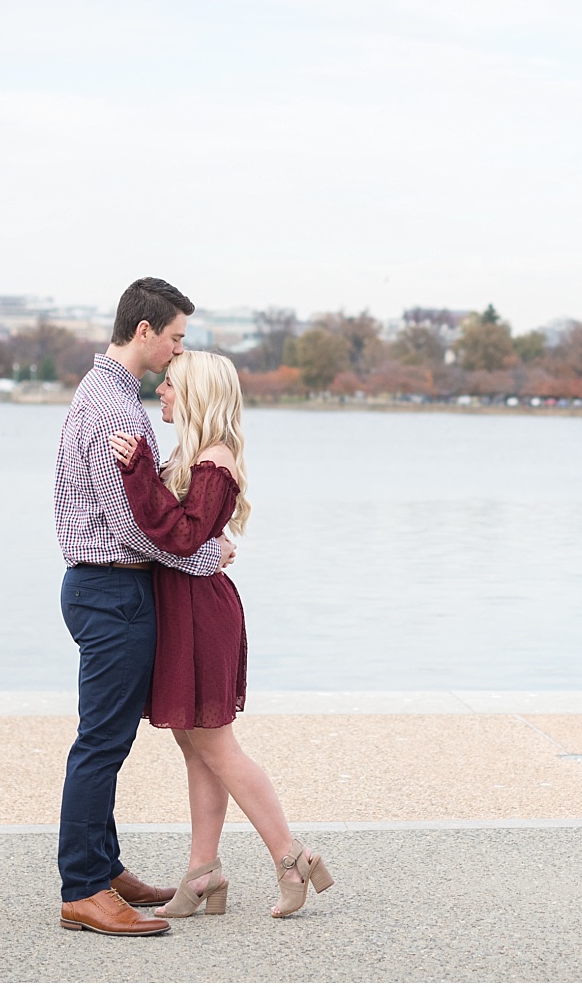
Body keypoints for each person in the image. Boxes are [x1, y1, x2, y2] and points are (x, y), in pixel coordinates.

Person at [109, 350, 335, 919]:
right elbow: (188, 537)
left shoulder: (214, 460)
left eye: (171, 384)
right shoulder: (193, 456)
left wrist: (136, 471)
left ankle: (292, 857)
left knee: (215, 744)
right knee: (194, 744)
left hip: (201, 614)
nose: (160, 390)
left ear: (198, 393)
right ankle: (202, 871)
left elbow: (181, 536)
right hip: (182, 606)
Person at [53, 277, 235, 937]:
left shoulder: (109, 396)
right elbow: (129, 525)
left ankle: (103, 866)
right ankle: (83, 886)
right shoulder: (110, 408)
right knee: (100, 743)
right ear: (145, 329)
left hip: (111, 588)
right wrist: (201, 557)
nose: (177, 352)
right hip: (109, 587)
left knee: (109, 738)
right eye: (176, 337)